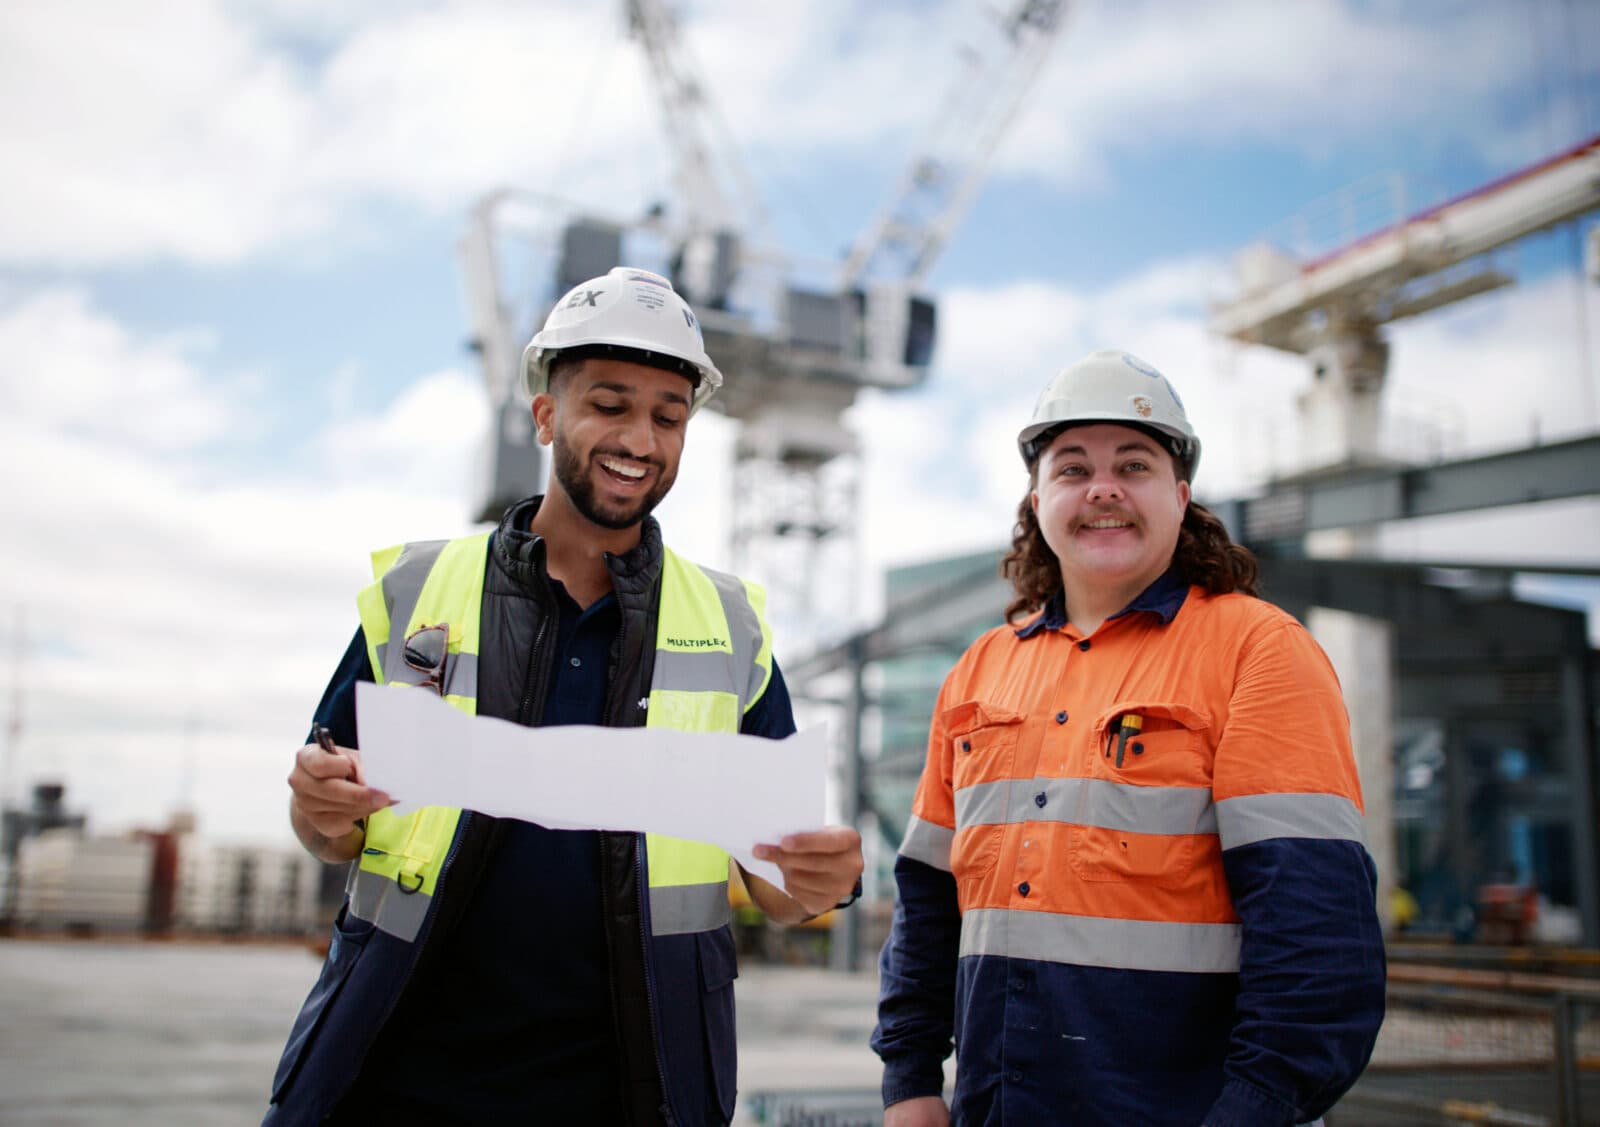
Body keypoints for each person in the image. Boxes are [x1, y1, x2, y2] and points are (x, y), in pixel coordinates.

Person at [265, 267, 864, 1126]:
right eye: (610, 404)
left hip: (631, 1090)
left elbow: (774, 879)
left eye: (668, 415)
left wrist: (821, 880)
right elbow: (329, 820)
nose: (641, 438)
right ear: (547, 414)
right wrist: (318, 807)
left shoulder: (732, 629)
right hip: (391, 1078)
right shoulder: (420, 591)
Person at [871, 350, 1385, 1126]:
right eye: (1072, 467)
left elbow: (1315, 936)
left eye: (1134, 464)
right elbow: (926, 903)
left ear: (1180, 497)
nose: (1103, 487)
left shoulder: (1260, 652)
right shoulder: (979, 671)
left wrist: (1255, 1107)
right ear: (1038, 499)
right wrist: (909, 1082)